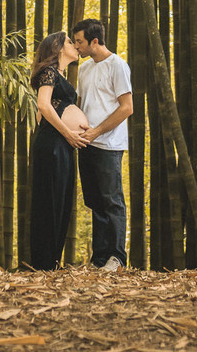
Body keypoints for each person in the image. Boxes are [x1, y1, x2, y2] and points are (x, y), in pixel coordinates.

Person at [71, 18, 133, 271]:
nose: (76, 47)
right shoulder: (85, 69)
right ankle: (100, 259)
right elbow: (81, 106)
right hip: (86, 144)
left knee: (112, 201)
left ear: (94, 41)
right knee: (95, 202)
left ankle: (116, 258)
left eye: (79, 42)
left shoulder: (117, 66)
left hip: (109, 144)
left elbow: (127, 108)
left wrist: (96, 132)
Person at [28, 31, 89, 270]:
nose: (75, 46)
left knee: (60, 200)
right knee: (50, 200)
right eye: (70, 42)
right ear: (59, 48)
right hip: (54, 143)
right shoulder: (50, 72)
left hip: (60, 143)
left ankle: (51, 262)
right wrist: (66, 132)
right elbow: (42, 105)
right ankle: (44, 264)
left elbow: (40, 114)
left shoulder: (59, 74)